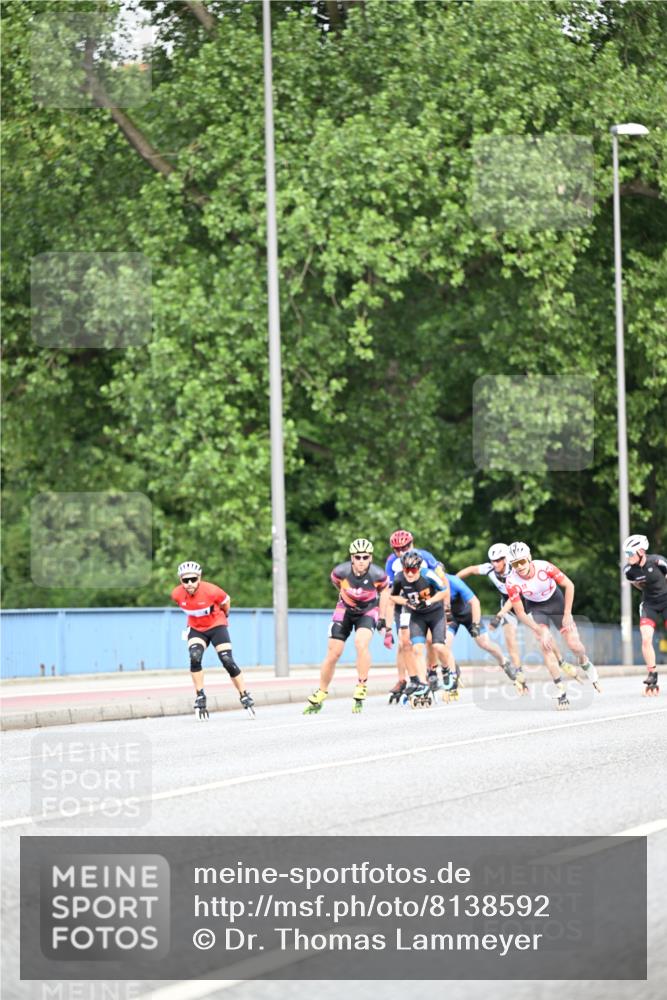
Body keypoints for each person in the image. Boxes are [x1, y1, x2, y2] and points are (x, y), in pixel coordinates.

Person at [503, 542, 599, 710]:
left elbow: (569, 585)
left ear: (529, 558)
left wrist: (567, 613)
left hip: (556, 602)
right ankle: (560, 688)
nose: (520, 567)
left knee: (575, 645)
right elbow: (520, 613)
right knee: (545, 644)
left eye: (522, 561)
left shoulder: (544, 567)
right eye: (515, 564)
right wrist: (539, 630)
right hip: (536, 608)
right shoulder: (511, 581)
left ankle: (584, 662)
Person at [304, 539, 391, 715]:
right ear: (352, 558)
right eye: (357, 557)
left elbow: (385, 593)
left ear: (370, 558)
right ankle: (321, 691)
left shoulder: (378, 575)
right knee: (333, 653)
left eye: (365, 557)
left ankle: (361, 685)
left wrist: (382, 619)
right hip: (344, 609)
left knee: (360, 643)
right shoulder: (340, 572)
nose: (361, 561)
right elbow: (338, 585)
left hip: (367, 611)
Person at [171, 561, 254, 719]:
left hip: (216, 625)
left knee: (227, 660)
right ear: (180, 580)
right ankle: (200, 695)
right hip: (196, 628)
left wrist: (224, 616)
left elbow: (226, 602)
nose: (190, 583)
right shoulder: (176, 594)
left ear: (199, 577)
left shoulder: (212, 591)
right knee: (195, 657)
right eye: (185, 580)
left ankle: (243, 694)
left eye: (193, 579)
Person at [384, 529, 447, 703]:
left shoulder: (425, 556)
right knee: (403, 642)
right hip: (404, 603)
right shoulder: (391, 562)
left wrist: (446, 606)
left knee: (430, 640)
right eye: (396, 549)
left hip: (426, 602)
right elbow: (389, 593)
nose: (401, 552)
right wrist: (386, 624)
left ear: (412, 544)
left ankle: (432, 671)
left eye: (405, 547)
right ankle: (408, 680)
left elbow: (443, 581)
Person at [446, 570, 528, 695]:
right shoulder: (430, 586)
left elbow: (475, 602)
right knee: (444, 644)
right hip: (451, 618)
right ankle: (453, 673)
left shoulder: (453, 582)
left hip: (469, 615)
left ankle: (504, 662)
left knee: (484, 643)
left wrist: (476, 624)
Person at [457, 543, 524, 676]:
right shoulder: (489, 568)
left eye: (498, 560)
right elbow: (471, 569)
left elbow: (515, 597)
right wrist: (452, 581)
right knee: (510, 639)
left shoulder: (515, 571)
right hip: (507, 603)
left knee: (540, 634)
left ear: (506, 559)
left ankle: (559, 661)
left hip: (523, 601)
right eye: (493, 560)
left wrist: (499, 616)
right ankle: (519, 672)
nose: (495, 564)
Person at [623, 533, 666, 696]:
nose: (627, 556)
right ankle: (652, 674)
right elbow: (637, 584)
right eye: (626, 553)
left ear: (641, 551)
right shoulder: (629, 571)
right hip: (649, 604)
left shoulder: (658, 561)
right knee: (646, 638)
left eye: (629, 553)